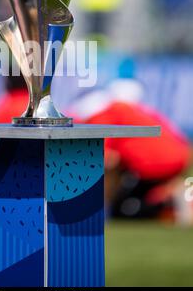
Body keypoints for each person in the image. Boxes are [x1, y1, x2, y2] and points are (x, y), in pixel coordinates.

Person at [79, 84, 191, 220]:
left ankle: (167, 202)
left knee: (123, 210)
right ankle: (170, 195)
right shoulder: (139, 111)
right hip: (180, 158)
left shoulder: (107, 115)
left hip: (151, 165)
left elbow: (102, 158)